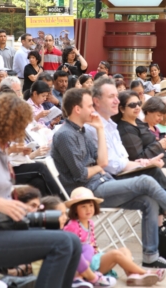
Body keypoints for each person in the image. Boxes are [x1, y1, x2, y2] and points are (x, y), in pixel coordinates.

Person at [0, 93, 82, 288]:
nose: (22, 131)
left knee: (72, 241)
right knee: (63, 244)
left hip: (1, 227)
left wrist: (29, 210)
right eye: (20, 125)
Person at [51, 86, 166, 268]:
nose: (92, 110)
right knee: (146, 181)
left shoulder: (83, 131)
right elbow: (81, 174)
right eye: (90, 106)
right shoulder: (65, 135)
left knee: (148, 200)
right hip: (89, 193)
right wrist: (98, 168)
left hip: (104, 183)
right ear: (77, 109)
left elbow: (103, 162)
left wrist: (99, 129)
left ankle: (150, 256)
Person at [64, 187, 165, 287]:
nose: (88, 209)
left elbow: (93, 243)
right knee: (115, 254)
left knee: (125, 250)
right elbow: (69, 250)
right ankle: (145, 272)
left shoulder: (90, 223)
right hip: (85, 267)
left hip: (94, 258)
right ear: (75, 209)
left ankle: (132, 276)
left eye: (91, 205)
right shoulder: (72, 226)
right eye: (83, 206)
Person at [112, 91, 166, 166]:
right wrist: (159, 145)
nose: (137, 107)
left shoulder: (137, 121)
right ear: (122, 109)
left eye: (139, 103)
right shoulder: (126, 130)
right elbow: (138, 159)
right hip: (151, 167)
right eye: (132, 105)